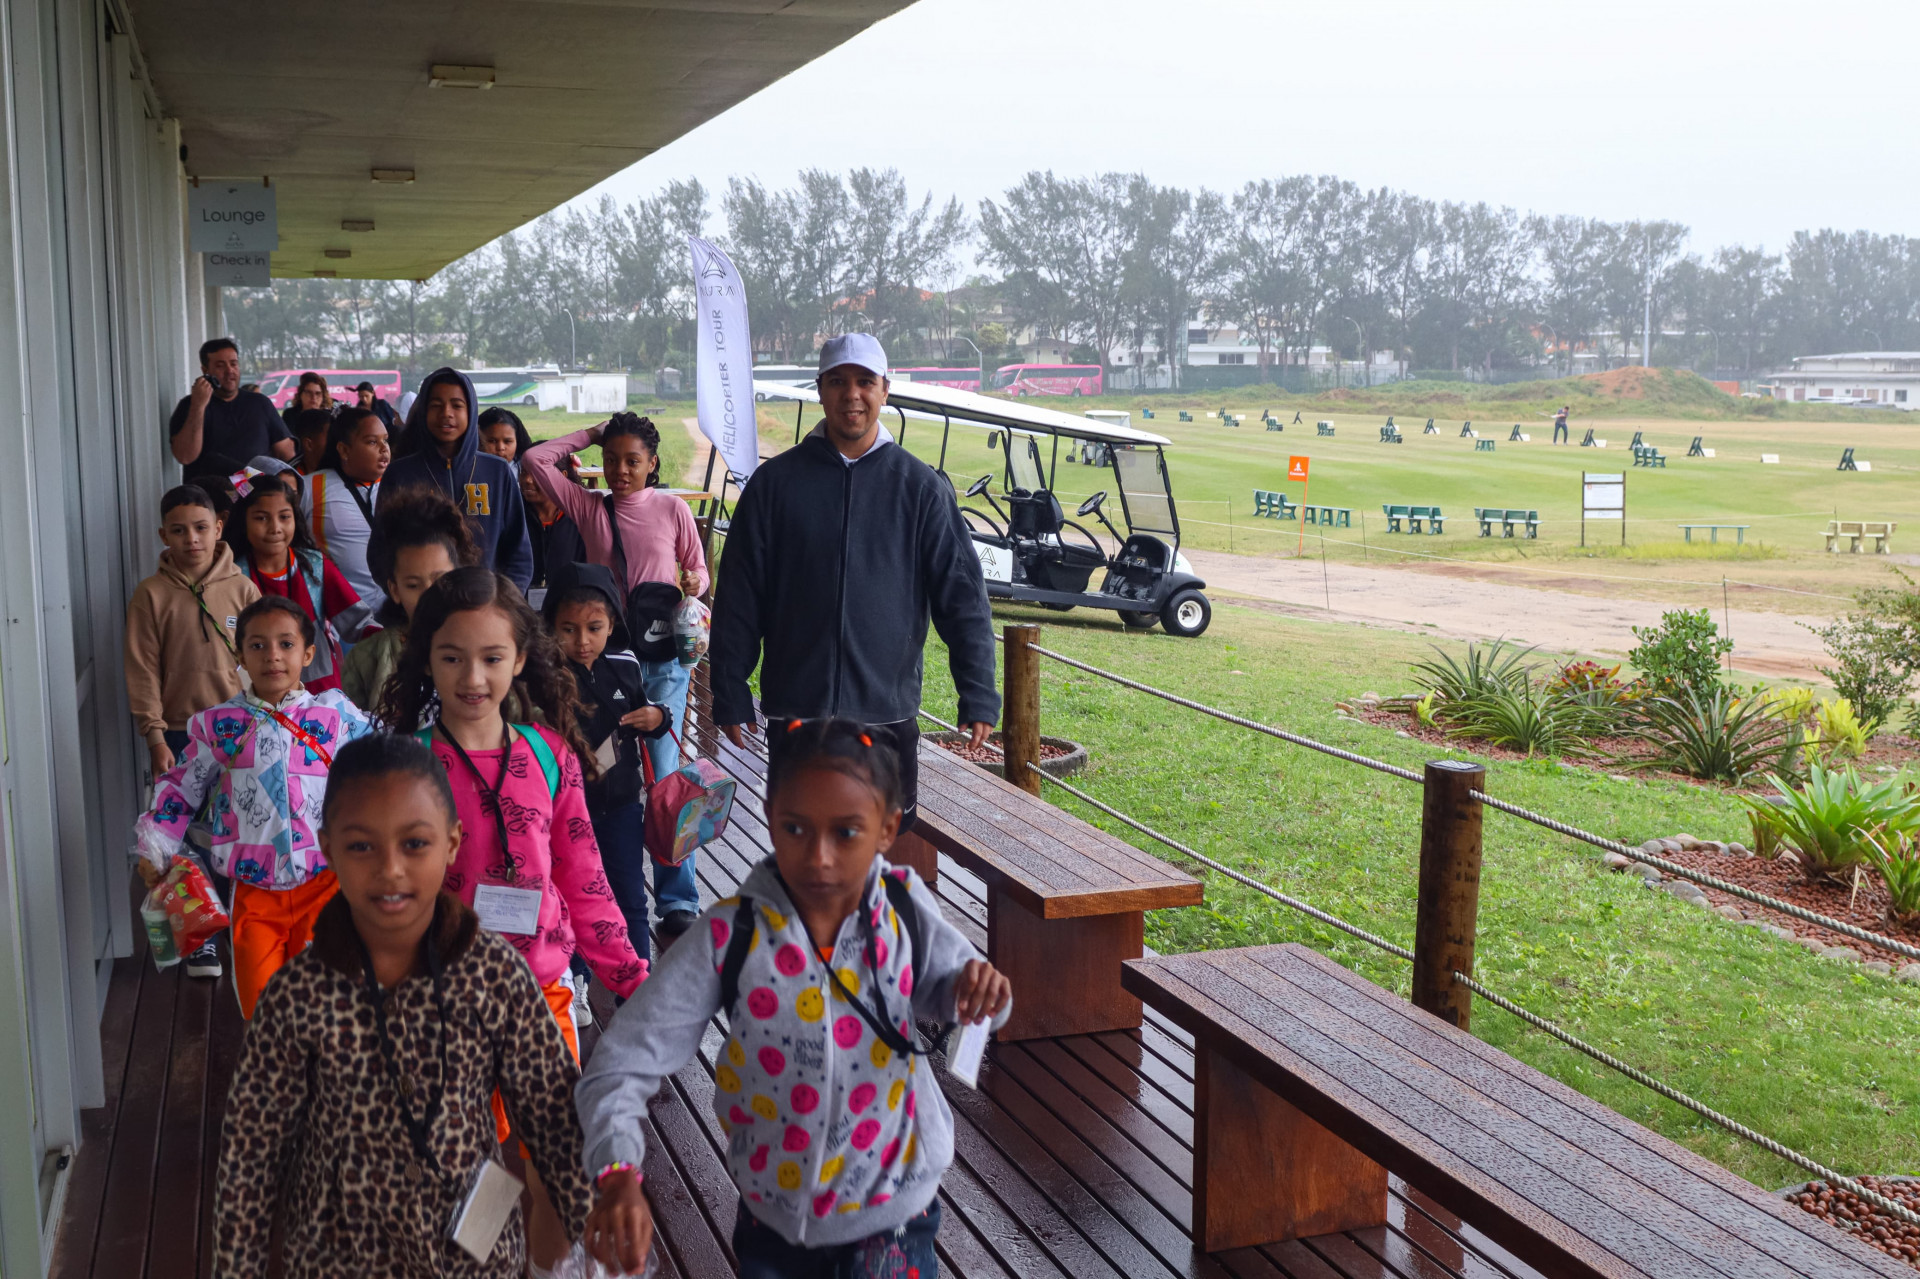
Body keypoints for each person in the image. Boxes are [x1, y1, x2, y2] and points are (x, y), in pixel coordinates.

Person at [578, 718, 1012, 1278]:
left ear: (887, 828)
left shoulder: (906, 910)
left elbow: (969, 999)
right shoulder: (730, 938)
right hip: (775, 1225)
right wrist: (615, 1171)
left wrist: (980, 993)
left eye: (847, 832)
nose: (820, 857)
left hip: (896, 1214)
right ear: (770, 819)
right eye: (796, 829)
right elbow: (620, 1062)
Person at [213, 732, 594, 1277]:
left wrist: (600, 1218)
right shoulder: (299, 996)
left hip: (475, 1259)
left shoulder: (494, 976)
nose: (390, 869)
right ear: (328, 848)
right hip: (339, 1261)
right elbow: (250, 1156)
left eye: (415, 843)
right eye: (362, 846)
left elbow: (555, 1116)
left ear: (453, 842)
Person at [378, 565, 645, 1268]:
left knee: (559, 1164)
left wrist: (629, 973)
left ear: (520, 659)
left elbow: (586, 878)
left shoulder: (550, 757)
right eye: (452, 656)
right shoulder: (406, 768)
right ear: (425, 657)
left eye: (492, 657)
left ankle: (546, 1269)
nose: (473, 676)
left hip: (544, 993)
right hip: (440, 1005)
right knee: (474, 1173)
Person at [710, 333, 998, 831]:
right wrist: (730, 687)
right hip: (796, 712)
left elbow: (963, 599)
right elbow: (739, 597)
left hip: (884, 716)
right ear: (819, 390)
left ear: (886, 390)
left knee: (882, 848)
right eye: (838, 382)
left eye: (865, 382)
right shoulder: (774, 486)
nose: (852, 395)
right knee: (801, 850)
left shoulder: (922, 489)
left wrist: (978, 693)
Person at [134, 596, 374, 1016]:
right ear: (239, 654)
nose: (273, 657)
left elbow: (387, 757)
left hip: (326, 885)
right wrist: (155, 846)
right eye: (258, 646)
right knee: (261, 1009)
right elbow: (181, 787)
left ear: (308, 653)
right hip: (253, 894)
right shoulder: (219, 724)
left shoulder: (335, 714)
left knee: (328, 1007)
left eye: (286, 644)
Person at [524, 411, 709, 940]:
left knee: (667, 778)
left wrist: (694, 579)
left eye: (632, 461)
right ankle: (610, 883)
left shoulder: (673, 509)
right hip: (607, 662)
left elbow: (697, 575)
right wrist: (591, 433)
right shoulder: (588, 506)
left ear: (653, 464)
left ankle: (677, 898)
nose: (620, 470)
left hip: (666, 660)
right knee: (610, 770)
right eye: (611, 460)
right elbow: (535, 460)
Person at [543, 562, 668, 965]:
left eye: (594, 628)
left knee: (630, 893)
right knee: (573, 893)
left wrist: (658, 718)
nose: (582, 641)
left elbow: (646, 711)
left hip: (621, 804)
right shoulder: (541, 676)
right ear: (551, 627)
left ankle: (638, 978)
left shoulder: (626, 665)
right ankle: (577, 980)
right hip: (566, 810)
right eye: (568, 629)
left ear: (612, 624)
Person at [381, 368, 533, 590]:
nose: (446, 413)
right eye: (436, 405)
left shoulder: (497, 472)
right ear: (423, 411)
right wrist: (408, 600)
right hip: (420, 610)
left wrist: (502, 606)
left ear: (471, 410)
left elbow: (519, 553)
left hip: (485, 609)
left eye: (457, 405)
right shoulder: (400, 474)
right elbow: (381, 551)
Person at [223, 469, 369, 694]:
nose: (275, 528)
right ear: (244, 521)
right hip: (260, 692)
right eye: (261, 518)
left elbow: (355, 621)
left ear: (296, 517)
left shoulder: (315, 566)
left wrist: (392, 638)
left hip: (320, 688)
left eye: (284, 516)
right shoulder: (233, 575)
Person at [339, 486, 479, 712]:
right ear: (395, 590)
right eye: (413, 585)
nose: (428, 594)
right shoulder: (365, 660)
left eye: (440, 579)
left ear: (459, 576)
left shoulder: (488, 644)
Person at [301, 407, 390, 615]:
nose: (384, 448)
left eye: (385, 440)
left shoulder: (397, 484)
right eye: (371, 442)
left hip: (392, 616)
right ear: (344, 450)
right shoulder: (311, 486)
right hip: (338, 618)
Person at [168, 337, 294, 481]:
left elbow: (287, 453)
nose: (229, 371)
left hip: (254, 494)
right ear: (205, 370)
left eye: (233, 364)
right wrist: (198, 406)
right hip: (209, 496)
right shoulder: (189, 406)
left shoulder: (260, 403)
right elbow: (185, 456)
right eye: (220, 366)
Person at [520, 464, 584, 589]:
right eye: (523, 472)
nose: (527, 480)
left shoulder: (580, 518)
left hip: (570, 602)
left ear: (561, 476)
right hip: (518, 603)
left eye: (537, 473)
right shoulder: (513, 513)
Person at [289, 407, 334, 475]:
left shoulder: (345, 472)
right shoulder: (289, 478)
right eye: (330, 437)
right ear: (308, 444)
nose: (336, 442)